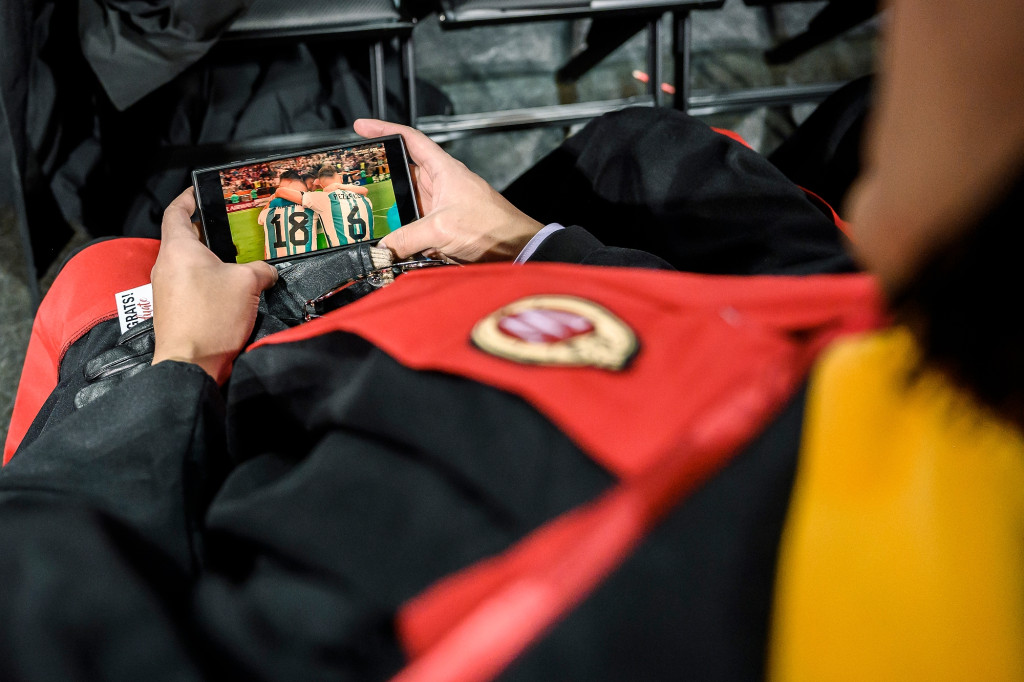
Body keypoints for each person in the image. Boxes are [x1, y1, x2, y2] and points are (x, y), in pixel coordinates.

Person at [1, 0, 1023, 679]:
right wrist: (518, 241)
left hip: (230, 402)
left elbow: (51, 614)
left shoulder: (546, 608)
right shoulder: (887, 345)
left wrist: (176, 365)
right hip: (474, 284)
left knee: (98, 282)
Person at [274, 166, 375, 247]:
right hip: (369, 251)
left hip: (344, 257)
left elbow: (281, 191)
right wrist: (340, 186)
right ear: (340, 178)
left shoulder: (322, 198)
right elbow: (364, 191)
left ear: (321, 186)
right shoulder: (366, 200)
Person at [257, 170, 320, 259]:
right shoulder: (312, 208)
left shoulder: (266, 213)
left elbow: (261, 221)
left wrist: (273, 200)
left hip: (277, 267)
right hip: (306, 264)